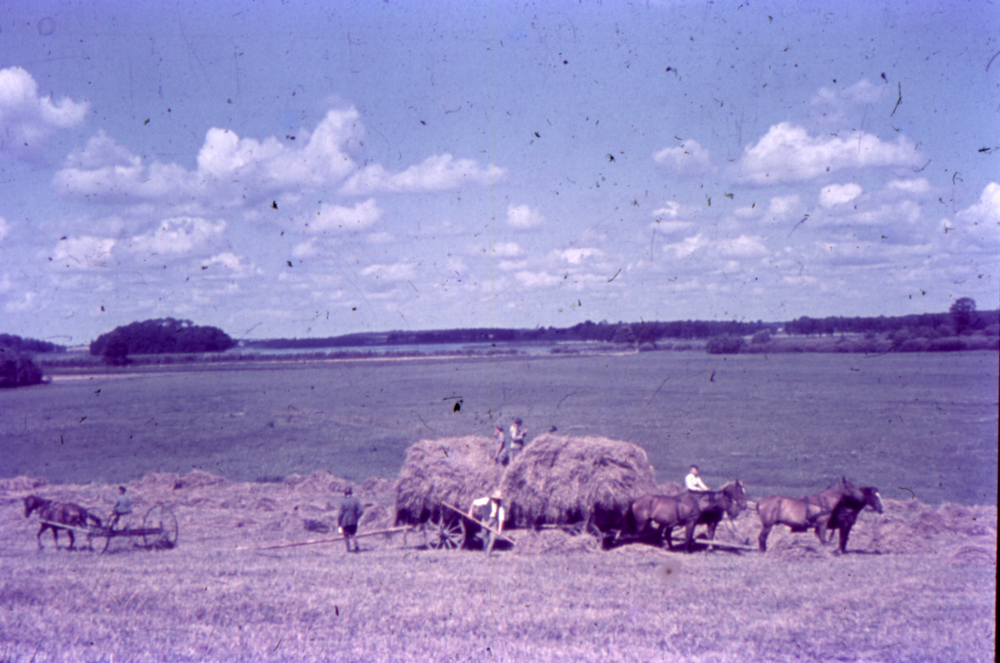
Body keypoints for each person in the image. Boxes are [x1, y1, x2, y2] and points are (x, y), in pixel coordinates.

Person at [468, 489, 506, 555]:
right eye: (496, 498)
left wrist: (500, 529)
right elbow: (474, 502)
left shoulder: (500, 504)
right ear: (493, 496)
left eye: (498, 498)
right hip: (486, 520)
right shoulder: (486, 500)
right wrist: (470, 512)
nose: (497, 499)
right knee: (485, 538)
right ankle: (485, 552)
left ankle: (488, 555)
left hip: (494, 522)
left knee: (492, 539)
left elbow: (501, 517)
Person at [337, 486, 364, 553]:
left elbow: (340, 514)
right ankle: (356, 546)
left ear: (345, 493)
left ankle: (348, 549)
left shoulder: (343, 502)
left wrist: (339, 522)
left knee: (346, 536)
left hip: (344, 522)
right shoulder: (355, 500)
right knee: (353, 534)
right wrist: (356, 517)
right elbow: (361, 510)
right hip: (353, 521)